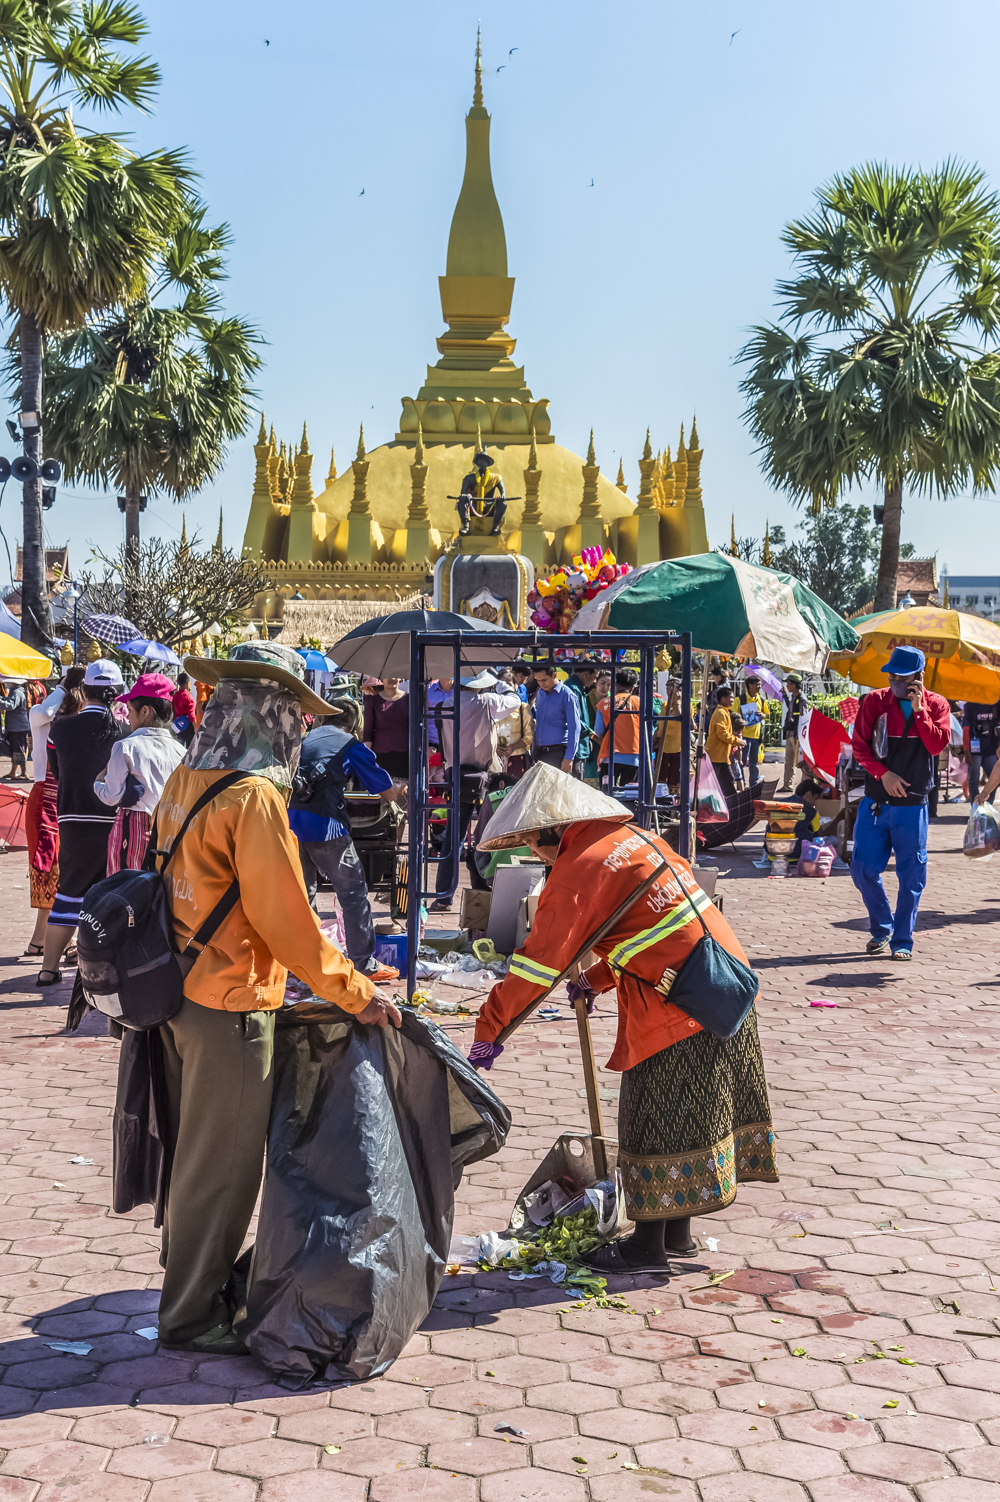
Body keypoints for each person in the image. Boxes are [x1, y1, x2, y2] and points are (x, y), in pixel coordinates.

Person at [151, 641, 401, 1355]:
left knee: (197, 1158)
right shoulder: (254, 796)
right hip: (229, 1003)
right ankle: (192, 1315)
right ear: (273, 717)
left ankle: (194, 1283)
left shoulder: (188, 778)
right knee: (222, 1169)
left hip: (179, 991)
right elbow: (289, 924)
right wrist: (358, 995)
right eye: (293, 714)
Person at [467, 763, 777, 1271]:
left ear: (554, 830)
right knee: (691, 1121)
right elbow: (655, 930)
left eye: (536, 846)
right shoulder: (633, 839)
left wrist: (490, 1029)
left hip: (683, 1004)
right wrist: (597, 979)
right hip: (725, 983)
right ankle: (678, 1236)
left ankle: (645, 1247)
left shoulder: (580, 868)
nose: (537, 857)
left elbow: (538, 962)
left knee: (650, 1121)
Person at [289, 707, 406, 981]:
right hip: (325, 826)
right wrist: (403, 791)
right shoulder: (350, 744)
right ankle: (364, 964)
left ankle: (306, 964)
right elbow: (386, 791)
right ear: (355, 724)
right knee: (353, 895)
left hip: (290, 823)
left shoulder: (305, 737)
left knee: (304, 896)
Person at [850, 645, 951, 960]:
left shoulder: (937, 705)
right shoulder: (874, 702)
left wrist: (920, 711)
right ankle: (882, 927)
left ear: (918, 677)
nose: (893, 679)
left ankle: (902, 940)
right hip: (876, 801)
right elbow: (859, 747)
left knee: (911, 876)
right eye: (891, 674)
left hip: (913, 804)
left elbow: (936, 746)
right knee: (863, 869)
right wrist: (883, 775)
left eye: (900, 675)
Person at [39, 660, 127, 985]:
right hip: (111, 821)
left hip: (72, 820)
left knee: (68, 892)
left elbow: (57, 772)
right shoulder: (123, 732)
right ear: (116, 694)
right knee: (111, 894)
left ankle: (48, 968)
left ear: (84, 689)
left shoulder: (60, 728)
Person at [429, 669, 520, 911]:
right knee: (495, 834)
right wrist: (501, 684)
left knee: (453, 839)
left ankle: (444, 895)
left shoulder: (444, 704)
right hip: (486, 777)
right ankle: (497, 891)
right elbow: (515, 700)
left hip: (456, 777)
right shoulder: (487, 701)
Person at [94, 673, 186, 874]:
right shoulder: (182, 752)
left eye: (130, 710)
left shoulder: (125, 747)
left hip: (134, 830)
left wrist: (98, 783)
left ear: (145, 711)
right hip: (171, 831)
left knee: (126, 893)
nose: (127, 716)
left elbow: (111, 796)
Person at [532, 662, 582, 775]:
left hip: (558, 753)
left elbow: (574, 727)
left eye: (544, 680)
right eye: (538, 680)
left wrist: (569, 757)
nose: (541, 684)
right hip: (540, 752)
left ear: (554, 675)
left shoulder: (567, 696)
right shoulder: (540, 693)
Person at [595, 668, 642, 787]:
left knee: (607, 795)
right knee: (630, 796)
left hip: (609, 756)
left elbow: (598, 731)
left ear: (615, 684)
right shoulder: (641, 703)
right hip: (634, 756)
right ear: (632, 687)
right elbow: (648, 730)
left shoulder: (604, 704)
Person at [362, 675, 410, 779]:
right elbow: (368, 732)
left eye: (394, 675)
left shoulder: (409, 699)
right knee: (383, 792)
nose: (391, 678)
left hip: (405, 755)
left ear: (400, 678)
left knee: (404, 792)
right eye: (387, 675)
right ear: (381, 679)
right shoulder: (372, 700)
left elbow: (415, 730)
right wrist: (367, 759)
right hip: (381, 755)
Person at [457, 449, 506, 536]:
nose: (482, 463)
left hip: (489, 505)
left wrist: (502, 497)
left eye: (484, 461)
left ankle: (495, 527)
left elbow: (503, 492)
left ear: (487, 463)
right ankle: (466, 527)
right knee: (461, 502)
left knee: (503, 504)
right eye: (480, 461)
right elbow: (463, 491)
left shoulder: (496, 478)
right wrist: (464, 496)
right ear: (477, 463)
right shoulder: (469, 478)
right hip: (473, 505)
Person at [706, 685, 742, 798]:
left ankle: (731, 805)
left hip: (722, 756)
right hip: (716, 755)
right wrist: (737, 741)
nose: (733, 700)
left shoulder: (725, 712)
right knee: (713, 783)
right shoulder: (720, 713)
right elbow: (723, 734)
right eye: (730, 698)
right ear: (723, 699)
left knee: (728, 781)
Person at [963, 699, 1000, 803]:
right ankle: (976, 808)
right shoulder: (970, 706)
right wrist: (966, 750)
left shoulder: (996, 703)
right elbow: (966, 729)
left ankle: (988, 806)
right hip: (975, 749)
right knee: (974, 779)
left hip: (992, 748)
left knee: (994, 779)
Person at [779, 674, 804, 792]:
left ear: (794, 684)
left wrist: (798, 733)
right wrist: (785, 696)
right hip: (789, 732)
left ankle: (805, 785)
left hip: (796, 734)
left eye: (788, 683)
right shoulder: (793, 697)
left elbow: (803, 717)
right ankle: (787, 785)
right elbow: (791, 709)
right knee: (789, 760)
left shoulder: (802, 699)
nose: (787, 686)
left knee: (799, 761)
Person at [740, 674, 766, 789]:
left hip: (756, 736)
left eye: (760, 684)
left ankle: (753, 784)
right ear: (750, 685)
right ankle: (741, 783)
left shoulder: (761, 700)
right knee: (741, 761)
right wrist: (742, 719)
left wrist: (763, 715)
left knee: (754, 763)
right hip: (744, 736)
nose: (759, 687)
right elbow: (733, 714)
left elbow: (766, 714)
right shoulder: (741, 699)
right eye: (757, 684)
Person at [0, 678, 29, 778]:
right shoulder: (15, 691)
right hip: (16, 726)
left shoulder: (17, 692)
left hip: (18, 726)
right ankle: (17, 772)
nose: (6, 683)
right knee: (17, 750)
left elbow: (10, 705)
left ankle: (22, 773)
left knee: (18, 750)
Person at [788, 777, 823, 859]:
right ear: (809, 794)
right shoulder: (812, 812)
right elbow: (822, 834)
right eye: (816, 798)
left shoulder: (779, 803)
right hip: (799, 854)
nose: (815, 803)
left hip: (772, 854)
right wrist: (839, 818)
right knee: (833, 840)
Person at [426, 676, 454, 751]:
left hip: (456, 744)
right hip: (432, 745)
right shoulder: (427, 691)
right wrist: (425, 747)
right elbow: (420, 720)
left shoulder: (461, 692)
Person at [171, 671, 197, 748]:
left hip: (178, 725)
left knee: (178, 747)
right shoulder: (189, 697)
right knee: (189, 749)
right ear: (187, 684)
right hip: (188, 727)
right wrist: (196, 727)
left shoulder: (175, 695)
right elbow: (191, 715)